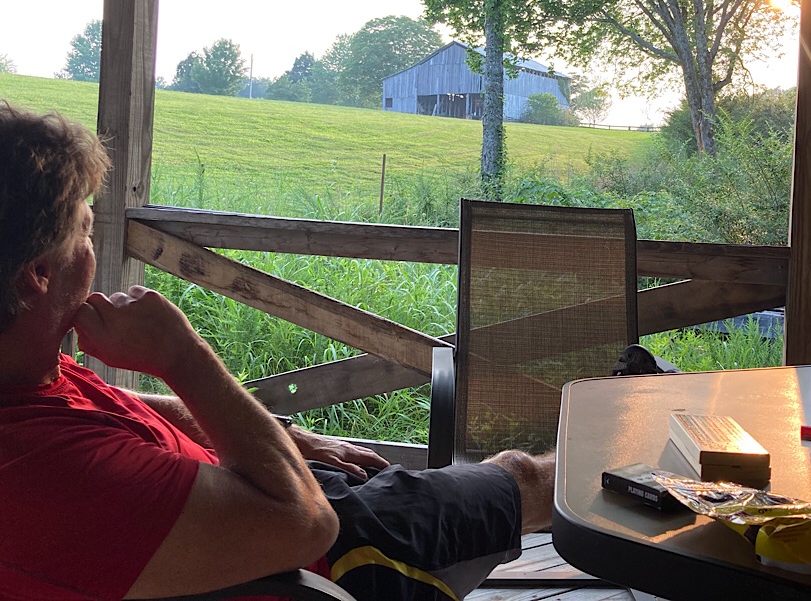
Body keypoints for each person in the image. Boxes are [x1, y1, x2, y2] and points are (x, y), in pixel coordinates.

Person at [0, 101, 555, 601]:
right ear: (39, 274)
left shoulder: (22, 367)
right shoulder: (47, 473)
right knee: (524, 476)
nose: (93, 250)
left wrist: (291, 438)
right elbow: (308, 526)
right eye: (86, 232)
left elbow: (118, 403)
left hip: (273, 485)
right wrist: (182, 355)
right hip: (334, 554)